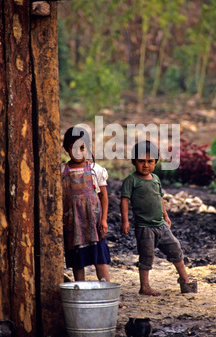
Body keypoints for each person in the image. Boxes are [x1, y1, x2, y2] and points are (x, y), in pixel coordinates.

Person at [120, 140, 197, 296]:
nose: (146, 165)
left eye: (150, 161)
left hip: (161, 225)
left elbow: (160, 197)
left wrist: (165, 214)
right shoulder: (131, 180)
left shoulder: (155, 178)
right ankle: (145, 286)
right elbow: (124, 200)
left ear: (156, 161)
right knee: (147, 256)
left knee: (175, 248)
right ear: (134, 161)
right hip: (144, 228)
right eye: (141, 161)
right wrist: (125, 220)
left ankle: (185, 280)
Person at [62, 126, 110, 282]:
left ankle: (107, 292)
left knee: (100, 258)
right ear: (66, 149)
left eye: (81, 148)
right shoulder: (62, 171)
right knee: (78, 261)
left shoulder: (96, 169)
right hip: (73, 223)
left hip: (93, 221)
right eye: (72, 148)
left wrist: (103, 220)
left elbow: (103, 196)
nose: (77, 152)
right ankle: (80, 292)